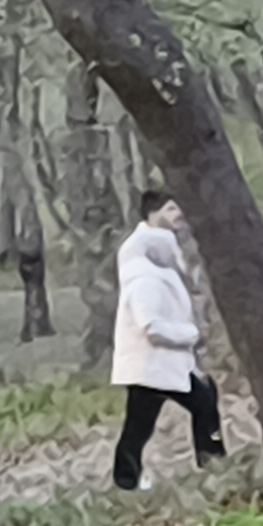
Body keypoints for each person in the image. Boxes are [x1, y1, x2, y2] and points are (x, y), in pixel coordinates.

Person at [108, 187, 221, 487]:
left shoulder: (159, 261)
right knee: (201, 403)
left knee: (140, 425)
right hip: (153, 364)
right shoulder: (145, 274)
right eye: (171, 209)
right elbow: (152, 327)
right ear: (152, 214)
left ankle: (127, 479)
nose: (178, 214)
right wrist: (192, 334)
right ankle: (213, 463)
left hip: (160, 363)